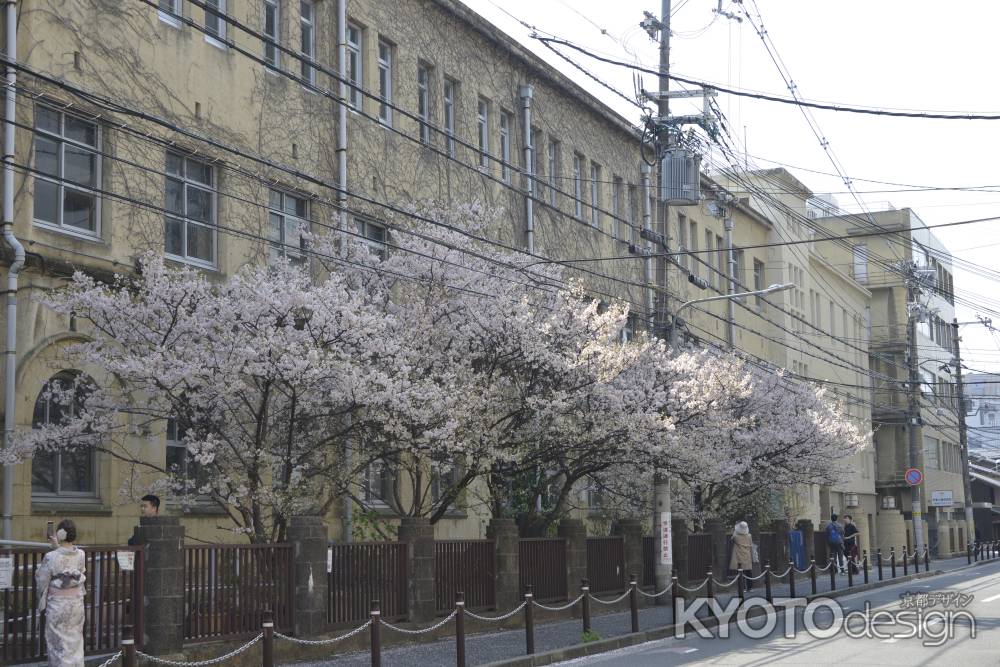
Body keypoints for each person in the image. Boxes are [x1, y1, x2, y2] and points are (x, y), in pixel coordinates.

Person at [36, 519, 86, 667]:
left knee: (58, 644)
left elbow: (42, 580)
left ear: (59, 534)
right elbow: (69, 559)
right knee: (75, 640)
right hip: (76, 604)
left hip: (58, 605)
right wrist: (57, 546)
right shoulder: (81, 554)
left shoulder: (51, 557)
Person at [729, 521, 754, 590]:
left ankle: (742, 587)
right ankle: (750, 587)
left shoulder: (736, 536)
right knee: (749, 572)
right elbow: (751, 544)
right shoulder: (749, 536)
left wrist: (735, 530)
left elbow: (731, 538)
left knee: (740, 572)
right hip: (747, 555)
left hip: (739, 555)